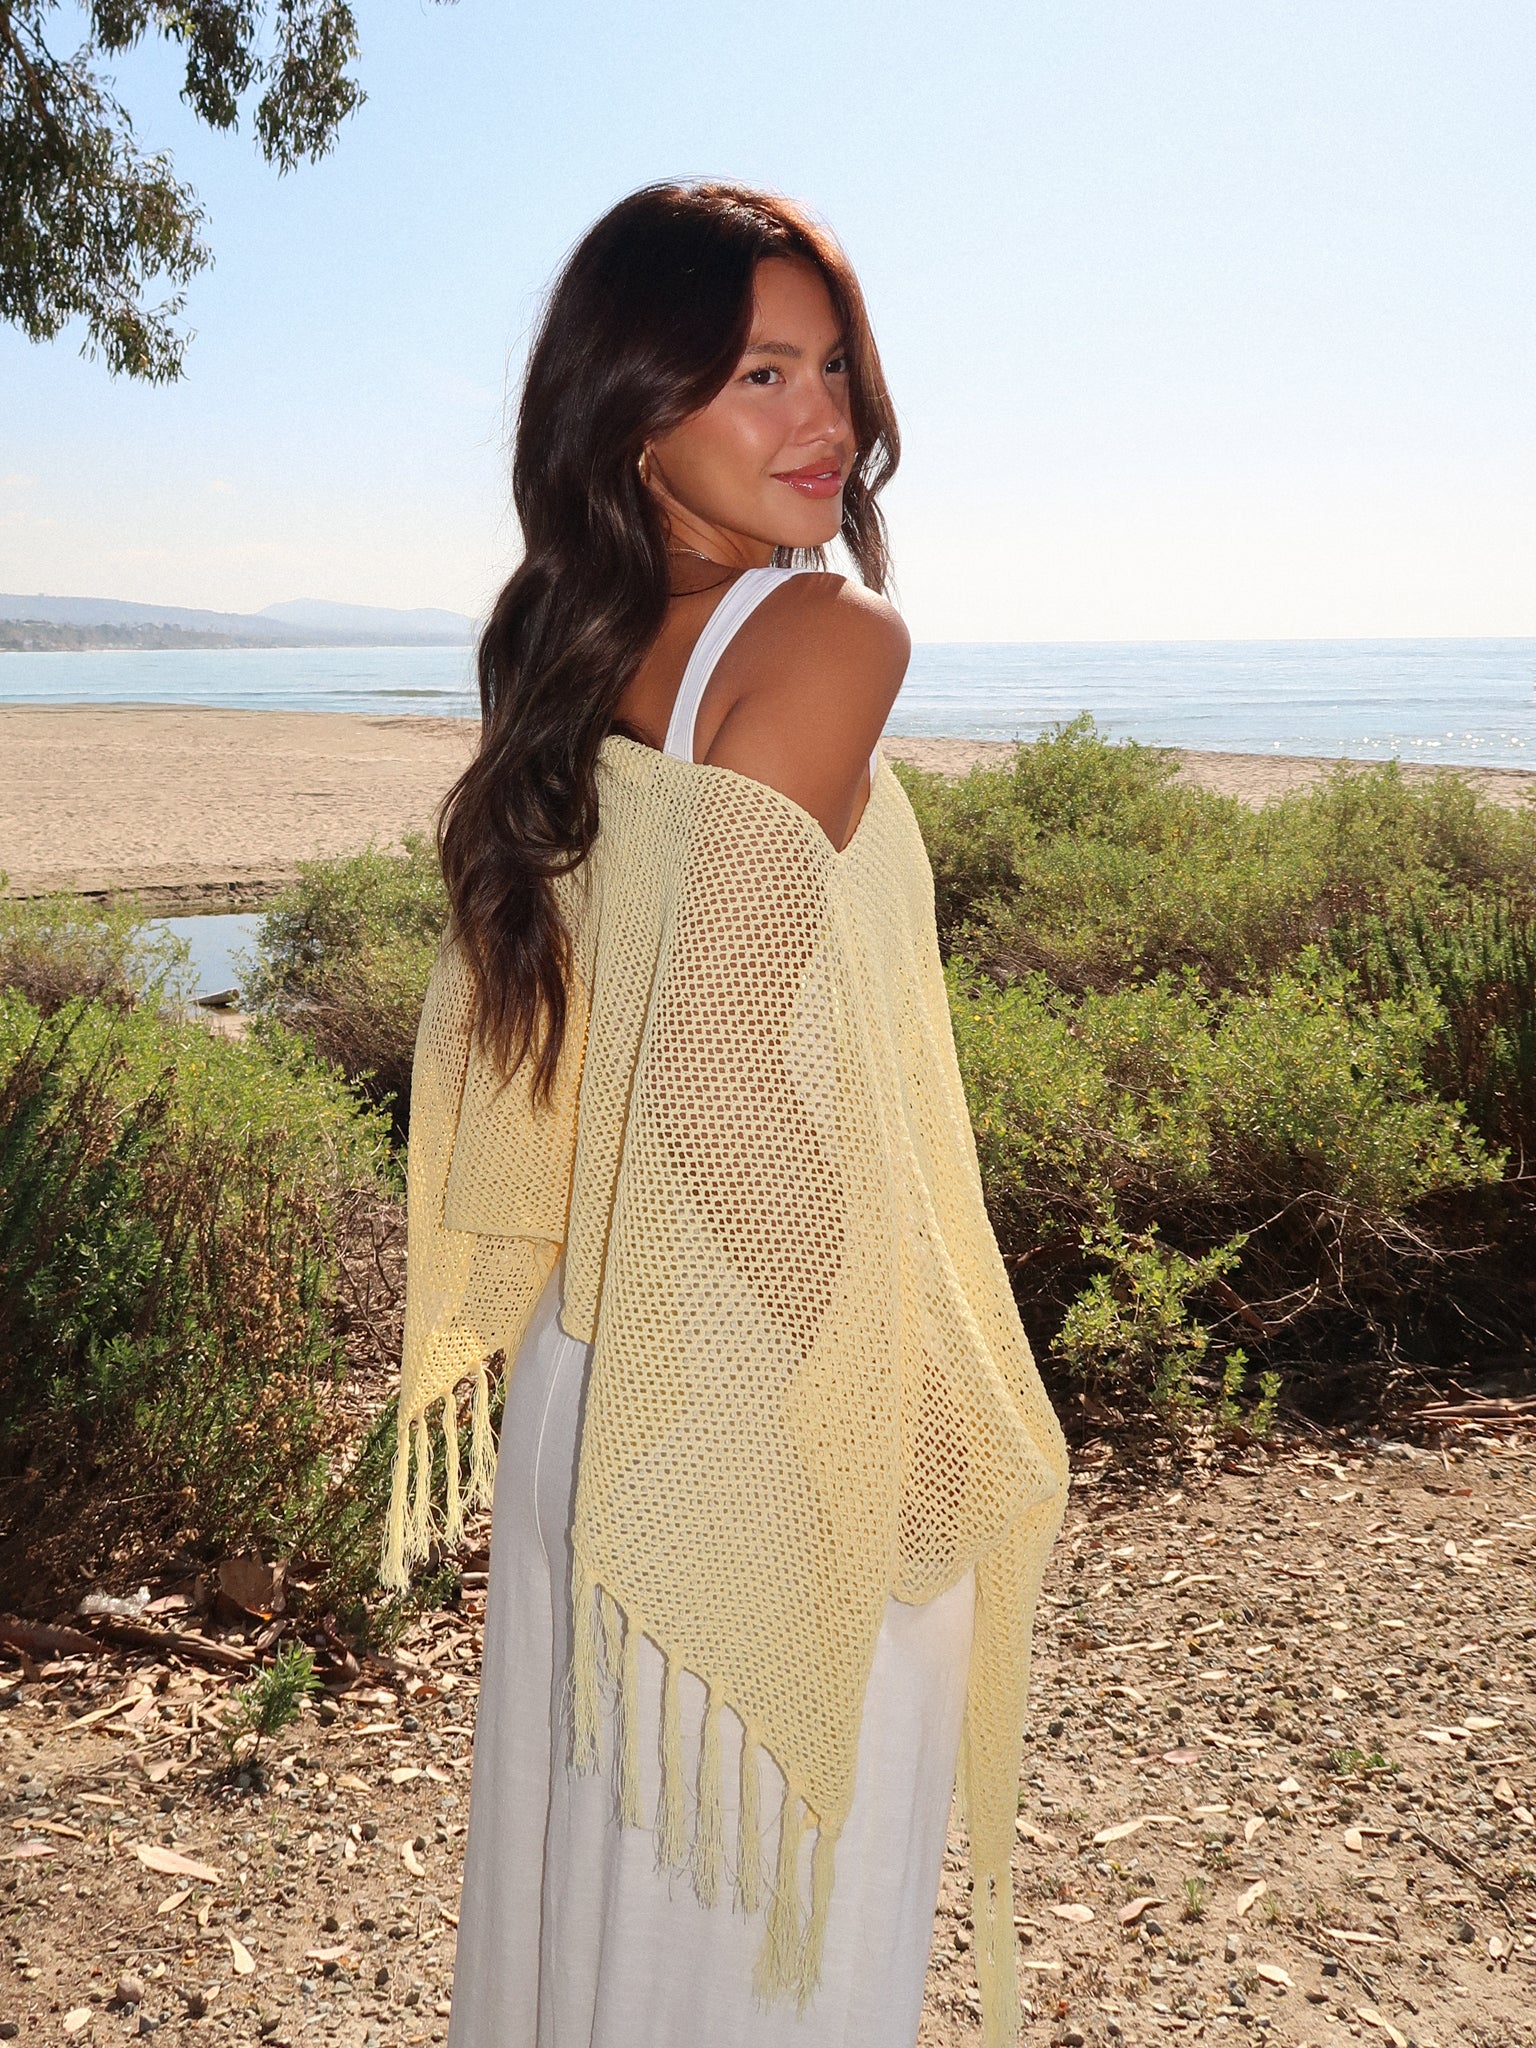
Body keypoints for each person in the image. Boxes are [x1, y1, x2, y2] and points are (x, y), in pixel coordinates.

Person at [383, 179, 1069, 2048]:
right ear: (633, 410)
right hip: (756, 1385)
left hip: (591, 1377)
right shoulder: (828, 636)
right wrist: (884, 1376)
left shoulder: (569, 644)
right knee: (768, 1955)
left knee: (598, 1928)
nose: (823, 419)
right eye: (759, 372)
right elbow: (711, 1078)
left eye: (832, 367)